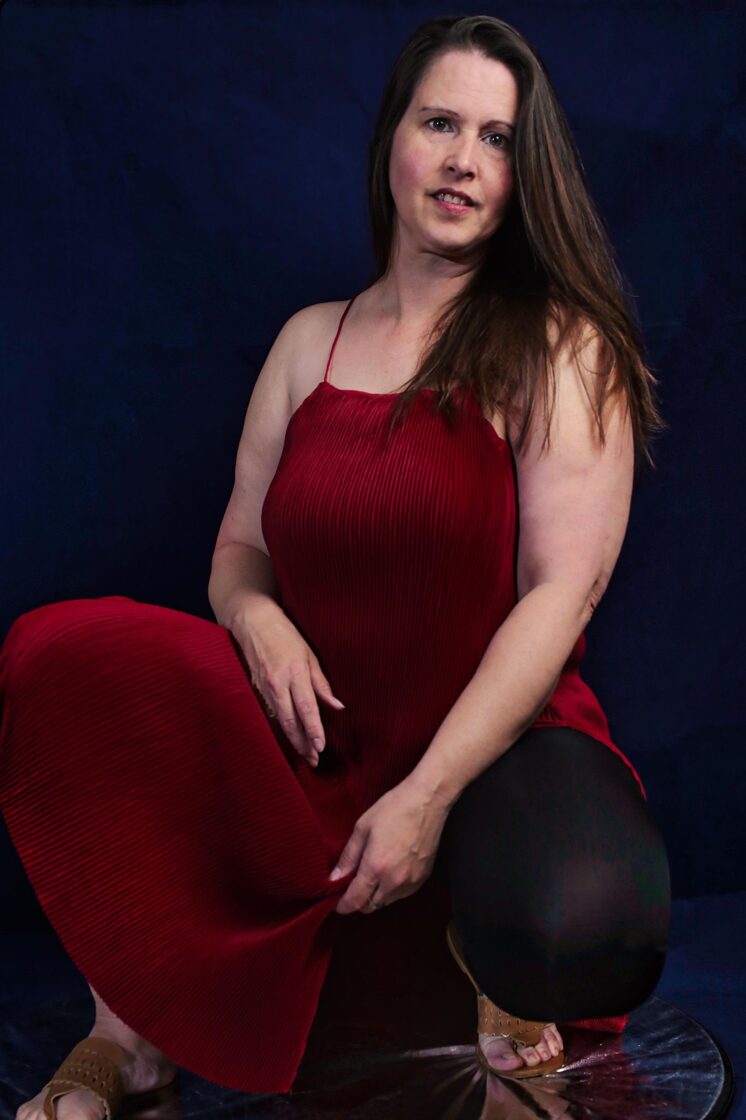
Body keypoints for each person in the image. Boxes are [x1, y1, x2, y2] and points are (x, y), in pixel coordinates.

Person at [1, 13, 672, 1119]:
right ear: (391, 141)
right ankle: (128, 1038)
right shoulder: (306, 341)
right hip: (315, 754)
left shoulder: (562, 344)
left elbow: (563, 593)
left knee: (590, 919)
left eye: (497, 139)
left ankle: (481, 943)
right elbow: (237, 551)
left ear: (525, 175)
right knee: (60, 652)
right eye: (439, 123)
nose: (463, 160)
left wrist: (428, 798)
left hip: (488, 761)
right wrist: (256, 620)